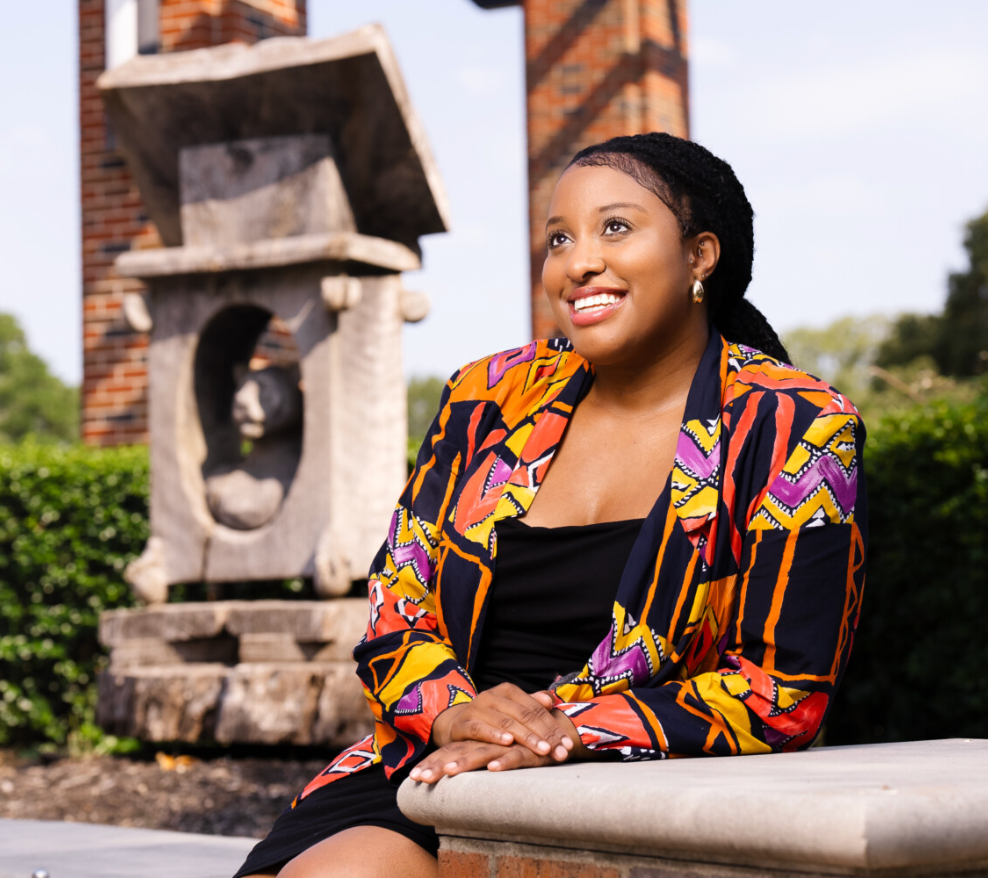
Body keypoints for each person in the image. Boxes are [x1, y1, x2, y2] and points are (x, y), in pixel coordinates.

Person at [235, 133, 868, 878]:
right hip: (432, 757)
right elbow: (394, 610)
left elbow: (783, 688)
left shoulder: (793, 425)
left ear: (701, 255)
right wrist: (455, 713)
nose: (578, 261)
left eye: (617, 228)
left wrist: (553, 731)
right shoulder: (489, 398)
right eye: (559, 238)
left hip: (628, 776)